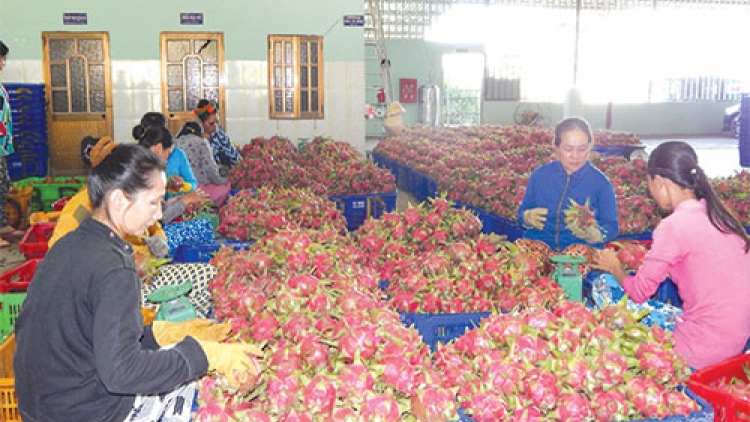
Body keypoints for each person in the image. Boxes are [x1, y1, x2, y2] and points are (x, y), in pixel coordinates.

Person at [15, 142, 261, 422]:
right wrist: (204, 356)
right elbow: (122, 373)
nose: (158, 215)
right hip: (84, 412)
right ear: (119, 200)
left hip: (42, 407)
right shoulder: (115, 267)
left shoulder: (71, 244)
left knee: (174, 359)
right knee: (195, 390)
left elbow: (97, 335)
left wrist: (161, 334)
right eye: (154, 202)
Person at [593, 141, 750, 370]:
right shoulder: (719, 215)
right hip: (737, 342)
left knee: (612, 340)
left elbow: (639, 293)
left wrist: (614, 266)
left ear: (660, 182)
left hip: (702, 351)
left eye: (650, 186)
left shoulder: (674, 226)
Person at [51, 136, 214, 317]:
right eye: (153, 203)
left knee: (208, 275)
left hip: (143, 273)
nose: (159, 213)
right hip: (119, 286)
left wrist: (159, 239)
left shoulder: (125, 205)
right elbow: (62, 257)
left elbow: (154, 227)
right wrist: (130, 261)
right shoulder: (81, 208)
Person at [517, 117, 618, 251]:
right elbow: (522, 213)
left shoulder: (601, 183)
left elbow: (612, 226)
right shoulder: (540, 176)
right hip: (538, 251)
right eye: (568, 149)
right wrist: (526, 217)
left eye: (582, 149)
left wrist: (600, 234)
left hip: (579, 256)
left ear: (589, 147)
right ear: (557, 147)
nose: (575, 156)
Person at [136, 124, 200, 201]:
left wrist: (184, 186)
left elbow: (192, 182)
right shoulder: (141, 165)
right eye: (168, 153)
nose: (167, 159)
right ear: (159, 148)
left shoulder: (178, 153)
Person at [175, 121, 231, 206]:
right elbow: (210, 169)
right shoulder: (201, 142)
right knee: (225, 188)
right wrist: (223, 182)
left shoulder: (174, 143)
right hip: (197, 189)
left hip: (176, 191)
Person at [0, 40, 21, 246]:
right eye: (2, 58)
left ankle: (2, 224)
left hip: (2, 146)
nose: (3, 63)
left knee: (3, 184)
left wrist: (10, 138)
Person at [193, 99, 241, 169]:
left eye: (217, 122)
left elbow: (235, 156)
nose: (215, 126)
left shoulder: (220, 135)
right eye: (211, 123)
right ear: (201, 122)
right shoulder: (193, 140)